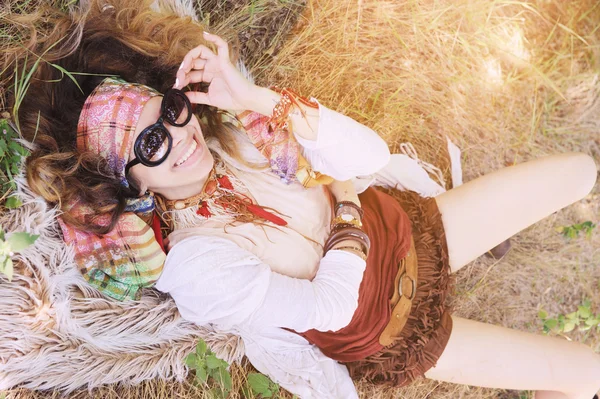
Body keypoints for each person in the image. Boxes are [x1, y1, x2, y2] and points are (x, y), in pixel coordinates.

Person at [21, 1, 600, 398]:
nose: (179, 135)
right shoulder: (197, 267)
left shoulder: (237, 136)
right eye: (150, 142)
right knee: (590, 375)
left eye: (171, 112)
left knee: (579, 171)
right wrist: (345, 208)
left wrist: (253, 94)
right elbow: (330, 309)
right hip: (395, 321)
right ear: (129, 184)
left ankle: (469, 259)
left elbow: (366, 157)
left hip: (411, 228)